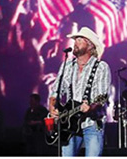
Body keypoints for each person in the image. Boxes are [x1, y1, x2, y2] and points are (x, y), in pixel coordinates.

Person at [48, 27, 111, 157]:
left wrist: (91, 107)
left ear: (90, 46)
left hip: (92, 124)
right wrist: (52, 107)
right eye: (75, 40)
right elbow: (55, 92)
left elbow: (101, 97)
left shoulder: (101, 67)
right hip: (69, 125)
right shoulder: (67, 65)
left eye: (80, 39)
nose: (75, 43)